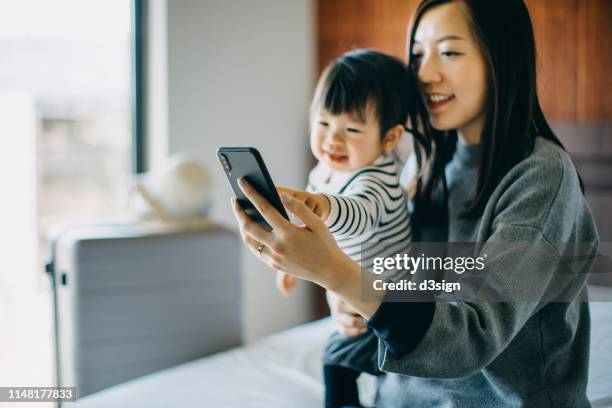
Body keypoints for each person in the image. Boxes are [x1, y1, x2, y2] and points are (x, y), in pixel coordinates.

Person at [232, 0, 599, 406]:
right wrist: (349, 300)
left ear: (501, 58)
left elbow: (469, 340)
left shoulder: (541, 177)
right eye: (418, 54)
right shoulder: (421, 167)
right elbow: (395, 279)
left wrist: (339, 275)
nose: (425, 74)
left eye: (449, 51)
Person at [275, 49, 414, 408]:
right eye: (323, 123)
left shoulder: (378, 179)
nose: (333, 140)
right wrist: (294, 268)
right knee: (339, 357)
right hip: (358, 298)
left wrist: (326, 205)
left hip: (392, 305)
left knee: (337, 358)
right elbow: (316, 239)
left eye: (351, 129)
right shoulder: (326, 172)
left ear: (389, 138)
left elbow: (359, 214)